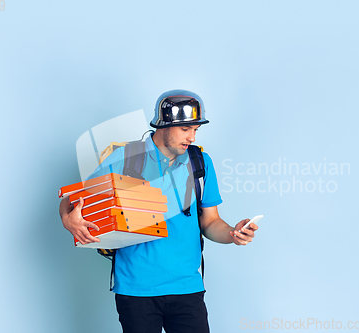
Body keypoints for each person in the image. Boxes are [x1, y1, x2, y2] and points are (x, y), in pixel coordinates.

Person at [59, 89, 258, 333]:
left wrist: (232, 234)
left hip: (187, 287)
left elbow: (210, 222)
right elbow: (72, 199)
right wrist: (68, 218)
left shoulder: (200, 162)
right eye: (186, 129)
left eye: (196, 130)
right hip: (136, 290)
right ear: (164, 125)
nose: (192, 138)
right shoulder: (125, 157)